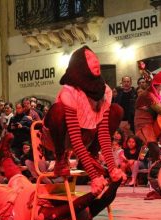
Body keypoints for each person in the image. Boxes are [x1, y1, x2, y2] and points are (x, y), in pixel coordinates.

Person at [41, 46, 125, 193]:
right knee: (58, 110)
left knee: (116, 110)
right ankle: (61, 158)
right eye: (90, 61)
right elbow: (75, 139)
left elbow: (104, 133)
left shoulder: (103, 91)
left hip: (87, 135)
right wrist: (94, 177)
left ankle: (92, 155)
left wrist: (113, 169)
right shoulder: (70, 92)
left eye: (95, 60)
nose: (95, 63)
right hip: (61, 137)